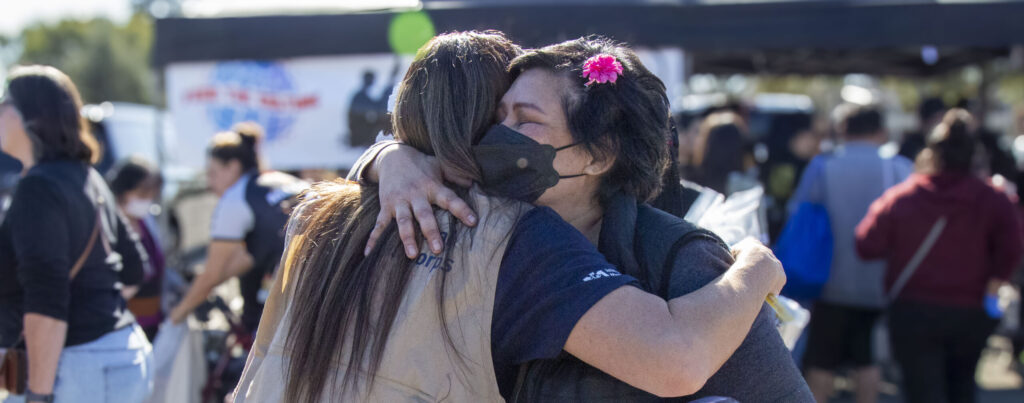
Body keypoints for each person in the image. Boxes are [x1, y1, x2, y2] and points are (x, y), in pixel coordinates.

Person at [233, 31, 789, 402]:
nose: (503, 138)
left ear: (598, 154)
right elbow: (675, 358)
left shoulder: (316, 212)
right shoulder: (505, 237)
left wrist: (388, 157)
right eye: (499, 117)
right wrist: (757, 265)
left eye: (525, 120)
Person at [0, 66, 152, 403]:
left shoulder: (38, 187)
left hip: (76, 368)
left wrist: (38, 395)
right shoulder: (87, 176)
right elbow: (134, 268)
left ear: (32, 117)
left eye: (4, 101)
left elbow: (46, 297)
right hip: (120, 352)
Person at [856, 109, 1024, 403]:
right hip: (972, 311)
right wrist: (995, 284)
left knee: (922, 391)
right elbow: (1012, 248)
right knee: (963, 387)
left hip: (913, 309)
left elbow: (867, 243)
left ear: (931, 153)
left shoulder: (903, 196)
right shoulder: (994, 200)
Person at [788, 103, 914, 403]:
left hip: (828, 279)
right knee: (867, 356)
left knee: (822, 358)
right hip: (880, 280)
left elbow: (798, 213)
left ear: (844, 130)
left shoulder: (823, 165)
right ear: (881, 131)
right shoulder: (898, 167)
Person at [168, 122, 306, 333]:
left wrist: (176, 316)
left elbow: (212, 274)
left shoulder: (235, 198)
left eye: (212, 173)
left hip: (306, 279)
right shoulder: (278, 179)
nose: (209, 182)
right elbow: (251, 256)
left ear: (232, 166)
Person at [107, 157, 166, 342]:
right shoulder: (108, 226)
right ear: (123, 190)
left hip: (153, 322)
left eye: (152, 194)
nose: (147, 200)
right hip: (121, 327)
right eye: (142, 193)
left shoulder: (147, 222)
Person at [899, 97, 946, 162]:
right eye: (937, 120)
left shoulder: (947, 146)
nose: (941, 125)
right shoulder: (910, 147)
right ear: (924, 121)